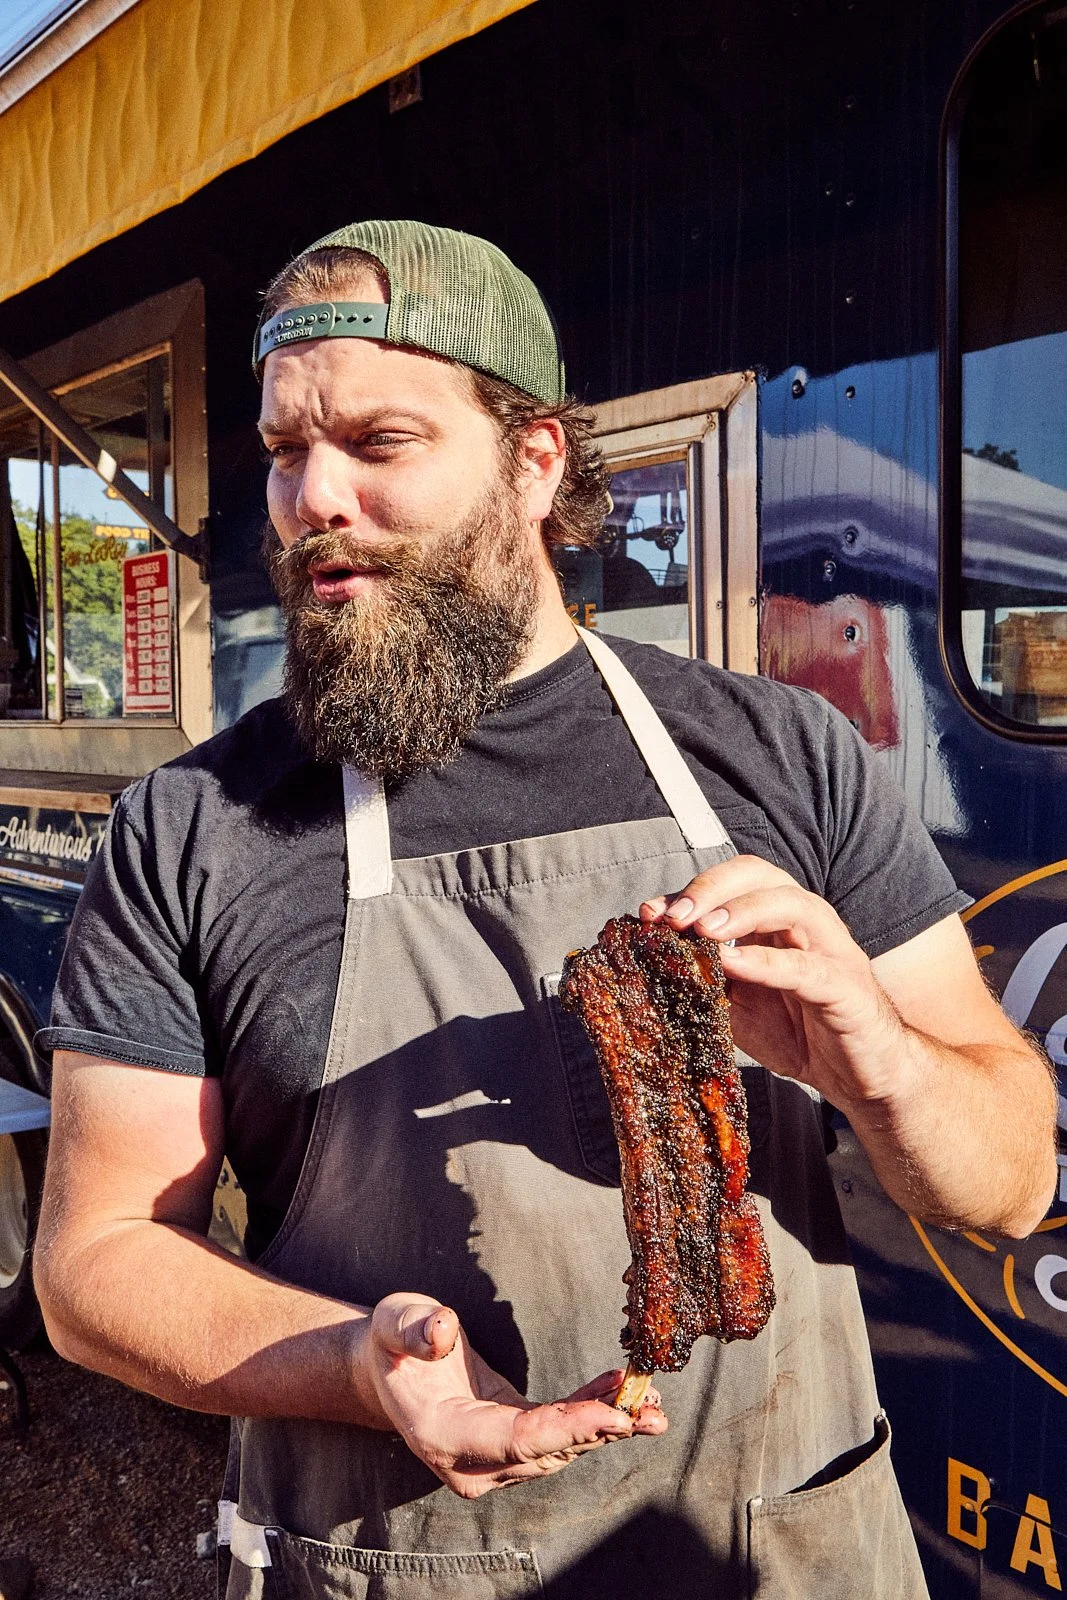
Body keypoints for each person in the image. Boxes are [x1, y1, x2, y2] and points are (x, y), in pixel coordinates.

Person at [33, 221, 1056, 1600]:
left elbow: (1008, 1183)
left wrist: (876, 1052)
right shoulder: (194, 826)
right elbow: (93, 1262)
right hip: (397, 1555)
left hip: (782, 1545)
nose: (312, 497)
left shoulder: (780, 755)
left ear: (533, 465)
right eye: (283, 450)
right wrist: (353, 1364)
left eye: (379, 442)